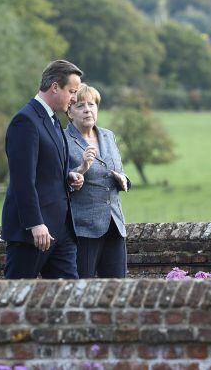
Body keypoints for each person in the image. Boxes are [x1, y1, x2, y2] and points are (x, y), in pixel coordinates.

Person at [0, 60, 85, 279]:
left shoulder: (54, 120)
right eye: (72, 91)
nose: (75, 98)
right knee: (15, 300)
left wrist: (69, 176)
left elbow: (47, 170)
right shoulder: (25, 121)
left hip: (61, 231)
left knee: (68, 299)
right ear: (55, 87)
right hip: (33, 234)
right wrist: (35, 223)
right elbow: (22, 181)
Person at [65, 84, 130, 278]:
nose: (87, 110)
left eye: (92, 104)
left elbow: (119, 170)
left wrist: (123, 179)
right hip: (84, 228)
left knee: (117, 289)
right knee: (82, 289)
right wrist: (81, 168)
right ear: (69, 112)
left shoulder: (108, 136)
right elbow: (59, 181)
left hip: (115, 225)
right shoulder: (62, 139)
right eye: (80, 106)